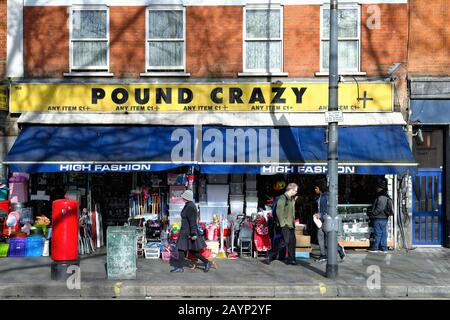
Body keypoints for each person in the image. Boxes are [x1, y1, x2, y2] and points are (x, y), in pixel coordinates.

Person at [170, 189, 212, 273]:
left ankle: (180, 267)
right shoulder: (188, 204)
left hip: (188, 232)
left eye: (183, 196)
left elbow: (192, 221)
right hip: (185, 231)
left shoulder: (190, 207)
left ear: (186, 197)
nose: (182, 198)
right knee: (190, 251)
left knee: (182, 249)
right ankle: (206, 262)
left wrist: (193, 233)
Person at [264, 183, 298, 266]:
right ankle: (270, 255)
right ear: (291, 189)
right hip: (284, 224)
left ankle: (291, 259)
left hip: (291, 224)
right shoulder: (283, 198)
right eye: (295, 190)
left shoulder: (291, 199)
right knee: (284, 241)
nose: (296, 192)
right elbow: (279, 212)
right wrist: (282, 224)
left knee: (292, 242)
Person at [313, 179, 345, 262]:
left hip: (327, 221)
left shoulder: (327, 196)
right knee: (320, 236)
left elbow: (330, 209)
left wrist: (321, 214)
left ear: (320, 188)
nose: (315, 189)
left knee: (329, 238)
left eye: (316, 188)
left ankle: (339, 248)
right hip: (320, 221)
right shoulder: (320, 196)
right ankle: (323, 254)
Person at [368, 179, 390, 253]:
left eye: (377, 188)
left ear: (380, 188)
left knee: (378, 233)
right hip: (384, 218)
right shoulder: (386, 196)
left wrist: (373, 213)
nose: (376, 189)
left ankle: (375, 248)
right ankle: (384, 248)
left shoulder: (381, 197)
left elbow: (380, 208)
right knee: (383, 234)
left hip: (379, 218)